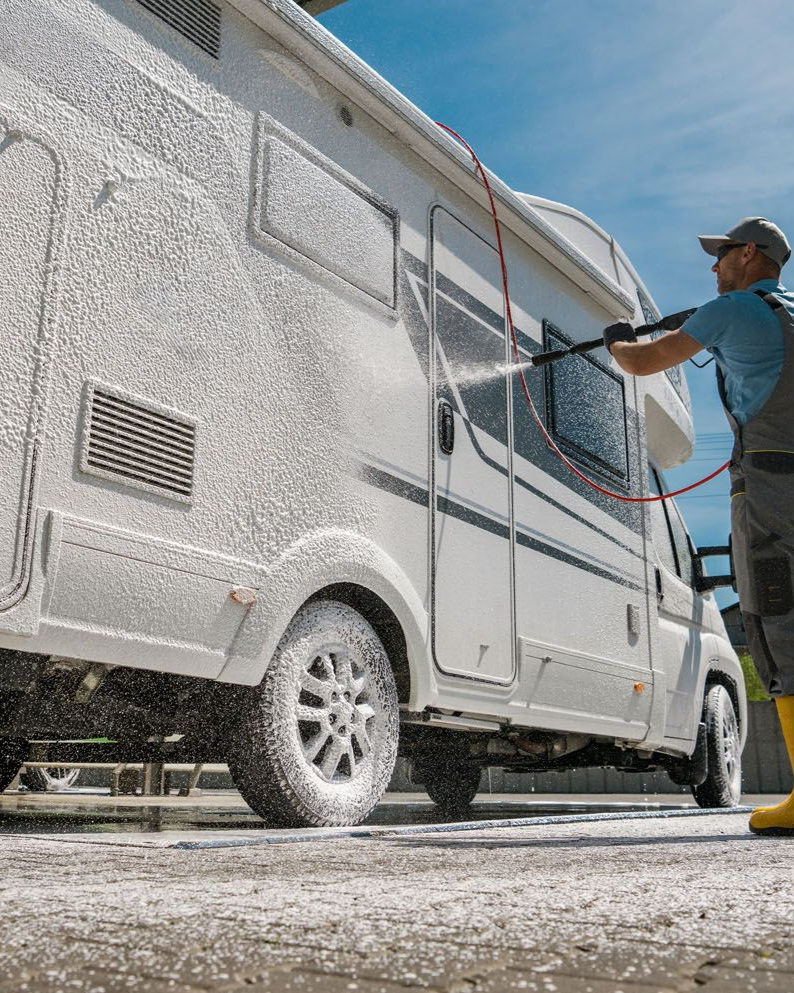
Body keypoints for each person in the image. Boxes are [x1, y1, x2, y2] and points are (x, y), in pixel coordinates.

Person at [603, 217, 794, 837]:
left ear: (747, 254)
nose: (713, 269)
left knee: (774, 617)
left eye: (720, 257)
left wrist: (615, 342)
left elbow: (645, 361)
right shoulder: (787, 311)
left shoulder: (735, 309)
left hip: (771, 483)